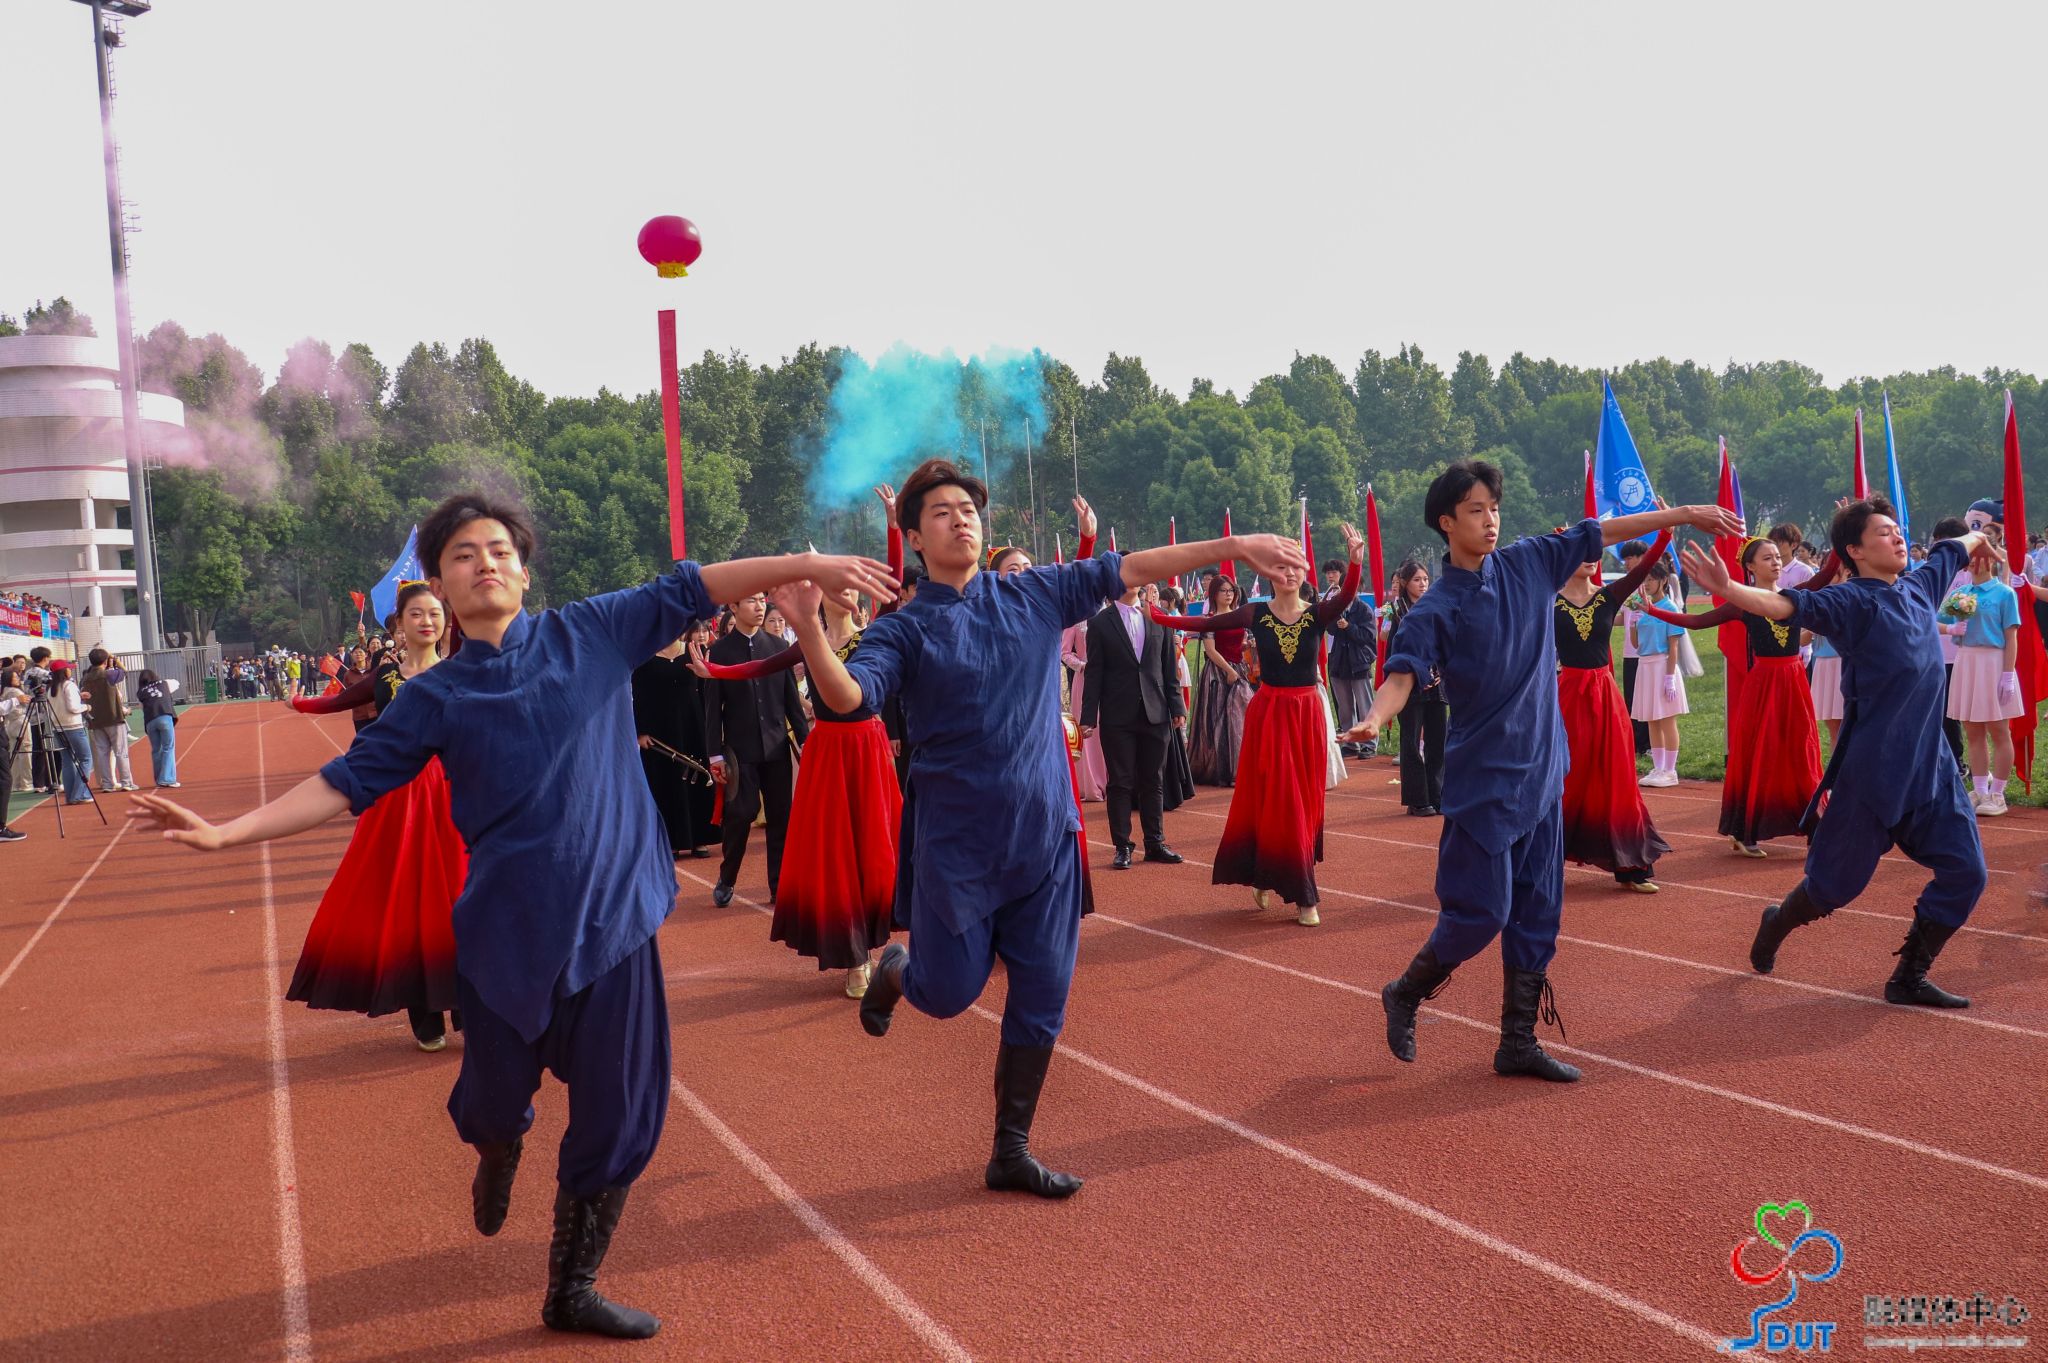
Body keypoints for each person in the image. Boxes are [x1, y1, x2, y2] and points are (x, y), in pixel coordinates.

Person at [131, 490, 897, 1339]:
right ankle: (498, 1149)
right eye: (463, 555)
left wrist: (809, 564)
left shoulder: (593, 631)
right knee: (492, 1106)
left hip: (614, 924)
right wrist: (227, 832)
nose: (484, 562)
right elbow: (344, 782)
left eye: (499, 549)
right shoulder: (435, 697)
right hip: (505, 936)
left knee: (622, 1114)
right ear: (439, 586)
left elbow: (697, 584)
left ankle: (572, 1286)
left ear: (525, 571)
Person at [788, 459, 1302, 1199]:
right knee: (948, 992)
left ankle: (1011, 1149)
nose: (961, 519)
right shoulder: (905, 628)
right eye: (941, 512)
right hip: (957, 847)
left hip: (1045, 838)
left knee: (1043, 996)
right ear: (915, 538)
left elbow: (1134, 566)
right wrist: (809, 629)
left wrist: (1237, 546)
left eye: (969, 508)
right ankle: (899, 970)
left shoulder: (1035, 592)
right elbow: (848, 698)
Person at [1345, 460, 1738, 1082]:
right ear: (1446, 522)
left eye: (1494, 508)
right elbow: (1402, 674)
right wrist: (1375, 717)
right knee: (1481, 912)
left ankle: (1518, 1043)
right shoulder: (1436, 608)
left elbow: (1602, 531)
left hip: (1544, 771)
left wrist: (1685, 514)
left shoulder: (1530, 561)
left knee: (1539, 912)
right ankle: (1406, 991)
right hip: (1485, 781)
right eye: (1475, 510)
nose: (1490, 520)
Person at [1678, 501, 1991, 1009]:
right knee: (1831, 889)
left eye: (1897, 530)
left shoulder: (1921, 585)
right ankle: (1778, 920)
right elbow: (1784, 606)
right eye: (1884, 533)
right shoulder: (1850, 601)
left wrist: (1982, 539)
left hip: (1931, 770)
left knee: (1968, 872)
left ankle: (1909, 977)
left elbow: (1956, 546)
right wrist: (1729, 589)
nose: (1897, 538)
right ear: (1855, 550)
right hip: (1872, 775)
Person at [695, 584, 901, 998]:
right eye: (834, 587)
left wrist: (902, 540)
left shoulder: (875, 634)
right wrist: (714, 672)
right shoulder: (810, 641)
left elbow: (894, 592)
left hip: (868, 750)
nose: (844, 592)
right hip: (827, 752)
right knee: (836, 854)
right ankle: (854, 956)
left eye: (850, 586)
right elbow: (761, 667)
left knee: (873, 849)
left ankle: (870, 942)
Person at [284, 583, 466, 1051]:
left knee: (464, 896)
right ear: (399, 625)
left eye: (435, 613)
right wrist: (298, 702)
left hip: (454, 794)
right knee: (406, 900)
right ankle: (423, 1007)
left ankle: (469, 1002)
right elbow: (337, 701)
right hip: (398, 798)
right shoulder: (386, 676)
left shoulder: (462, 671)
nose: (427, 621)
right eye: (416, 614)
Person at [1154, 524, 1364, 926]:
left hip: (1307, 713)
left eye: (1296, 568)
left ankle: (1267, 873)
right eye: (1281, 568)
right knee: (1279, 794)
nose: (1289, 574)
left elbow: (1348, 596)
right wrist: (1159, 617)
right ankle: (1304, 895)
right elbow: (1205, 625)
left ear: (1304, 574)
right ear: (1269, 573)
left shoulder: (1318, 613)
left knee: (1304, 798)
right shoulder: (1256, 613)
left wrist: (1355, 563)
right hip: (1269, 711)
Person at [1642, 537, 1833, 855]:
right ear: (1750, 566)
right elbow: (1696, 621)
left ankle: (1815, 822)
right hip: (1764, 684)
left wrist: (1844, 533)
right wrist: (1651, 610)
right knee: (1760, 754)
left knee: (1802, 749)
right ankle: (1745, 830)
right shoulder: (1742, 603)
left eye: (1777, 556)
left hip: (1794, 681)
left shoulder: (1795, 596)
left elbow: (1825, 575)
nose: (1776, 562)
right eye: (1767, 558)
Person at [1554, 529, 1673, 891]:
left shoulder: (1609, 596)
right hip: (1566, 695)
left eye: (1595, 552)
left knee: (1617, 776)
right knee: (1565, 776)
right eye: (1582, 551)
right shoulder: (1547, 600)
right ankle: (1545, 860)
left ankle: (1631, 865)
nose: (1591, 558)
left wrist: (1665, 534)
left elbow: (1643, 569)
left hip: (1605, 696)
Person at [704, 591, 809, 907]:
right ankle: (727, 877)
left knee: (781, 818)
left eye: (762, 600)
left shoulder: (778, 648)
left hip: (777, 748)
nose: (759, 606)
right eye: (751, 601)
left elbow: (791, 701)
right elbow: (713, 709)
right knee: (741, 813)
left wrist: (805, 741)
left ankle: (779, 885)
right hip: (740, 751)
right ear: (733, 607)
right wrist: (715, 754)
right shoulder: (719, 651)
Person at [1079, 579, 1186, 870]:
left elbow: (1169, 668)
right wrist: (1088, 718)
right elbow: (1094, 673)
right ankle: (1122, 846)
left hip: (1156, 711)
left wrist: (1177, 706)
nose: (1131, 582)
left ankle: (1155, 843)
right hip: (1117, 715)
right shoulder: (1100, 623)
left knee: (1154, 780)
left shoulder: (1158, 617)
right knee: (1121, 782)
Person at [1940, 550, 2021, 816]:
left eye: (1980, 557)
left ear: (1992, 560)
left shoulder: (2004, 594)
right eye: (1971, 559)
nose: (1974, 562)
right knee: (1973, 730)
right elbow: (1933, 619)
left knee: (1999, 730)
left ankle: (1997, 793)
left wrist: (2007, 675)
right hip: (1967, 661)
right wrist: (1951, 629)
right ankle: (1979, 790)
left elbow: (2011, 637)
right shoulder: (1960, 593)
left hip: (1994, 662)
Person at [631, 631, 721, 859]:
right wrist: (640, 731)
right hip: (658, 733)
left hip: (694, 727)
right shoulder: (643, 656)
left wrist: (712, 727)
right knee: (664, 784)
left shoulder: (695, 652)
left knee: (698, 780)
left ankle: (700, 838)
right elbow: (636, 695)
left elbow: (707, 692)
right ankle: (672, 840)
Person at [1383, 561, 1445, 815]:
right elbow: (1393, 653)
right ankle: (1417, 800)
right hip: (1409, 686)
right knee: (1411, 742)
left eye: (1425, 579)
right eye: (1417, 580)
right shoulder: (1397, 614)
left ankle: (1438, 796)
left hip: (1437, 686)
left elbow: (1446, 644)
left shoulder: (1437, 608)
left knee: (1437, 741)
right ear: (1405, 583)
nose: (1423, 584)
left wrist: (1442, 671)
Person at [1185, 574, 1252, 786]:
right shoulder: (1211, 620)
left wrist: (1246, 647)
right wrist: (1228, 671)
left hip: (1239, 669)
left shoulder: (1238, 616)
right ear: (1214, 594)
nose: (1228, 594)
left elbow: (1237, 644)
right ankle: (1225, 770)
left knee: (1242, 719)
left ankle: (1243, 768)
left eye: (1231, 590)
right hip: (1217, 673)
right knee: (1220, 721)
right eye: (1223, 591)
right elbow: (1211, 651)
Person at [1629, 559, 1687, 788]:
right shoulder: (1643, 608)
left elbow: (1673, 646)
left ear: (1663, 580)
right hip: (1645, 666)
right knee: (1652, 720)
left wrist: (1669, 678)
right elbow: (1636, 644)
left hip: (1663, 666)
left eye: (1651, 579)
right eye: (1644, 579)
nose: (1647, 583)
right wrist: (1633, 623)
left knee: (1667, 720)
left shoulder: (1670, 608)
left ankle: (1670, 770)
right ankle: (1659, 767)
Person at [1325, 559, 1378, 759]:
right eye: (1346, 586)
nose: (1349, 590)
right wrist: (1333, 615)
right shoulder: (1336, 606)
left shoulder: (1363, 609)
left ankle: (1369, 743)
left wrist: (1349, 627)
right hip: (1340, 662)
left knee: (1365, 706)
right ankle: (1350, 743)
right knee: (1345, 708)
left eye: (1353, 587)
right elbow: (1329, 629)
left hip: (1359, 662)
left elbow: (1367, 636)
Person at [1614, 541, 1654, 758]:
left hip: (1649, 652)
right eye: (1625, 559)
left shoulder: (1653, 583)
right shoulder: (1627, 585)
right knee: (1632, 698)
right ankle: (1637, 742)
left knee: (1648, 698)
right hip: (1630, 652)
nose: (1626, 563)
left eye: (1630, 558)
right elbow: (1624, 617)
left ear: (1642, 557)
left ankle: (1650, 743)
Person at [80, 649, 137, 793]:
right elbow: (124, 672)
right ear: (105, 661)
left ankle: (107, 783)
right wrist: (116, 660)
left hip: (95, 720)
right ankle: (126, 782)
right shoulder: (108, 675)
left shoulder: (85, 678)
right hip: (113, 717)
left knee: (102, 753)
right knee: (120, 752)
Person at [49, 660, 94, 804]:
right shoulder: (69, 685)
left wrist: (79, 696)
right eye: (69, 669)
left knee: (67, 761)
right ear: (64, 671)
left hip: (58, 728)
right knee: (86, 759)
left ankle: (71, 795)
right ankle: (80, 794)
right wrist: (86, 707)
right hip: (73, 727)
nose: (71, 670)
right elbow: (73, 708)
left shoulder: (51, 687)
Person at [134, 670, 182, 789]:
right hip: (164, 716)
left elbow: (141, 707)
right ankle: (167, 779)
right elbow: (176, 683)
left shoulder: (140, 692)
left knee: (156, 750)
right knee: (168, 748)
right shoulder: (164, 683)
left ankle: (159, 779)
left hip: (150, 721)